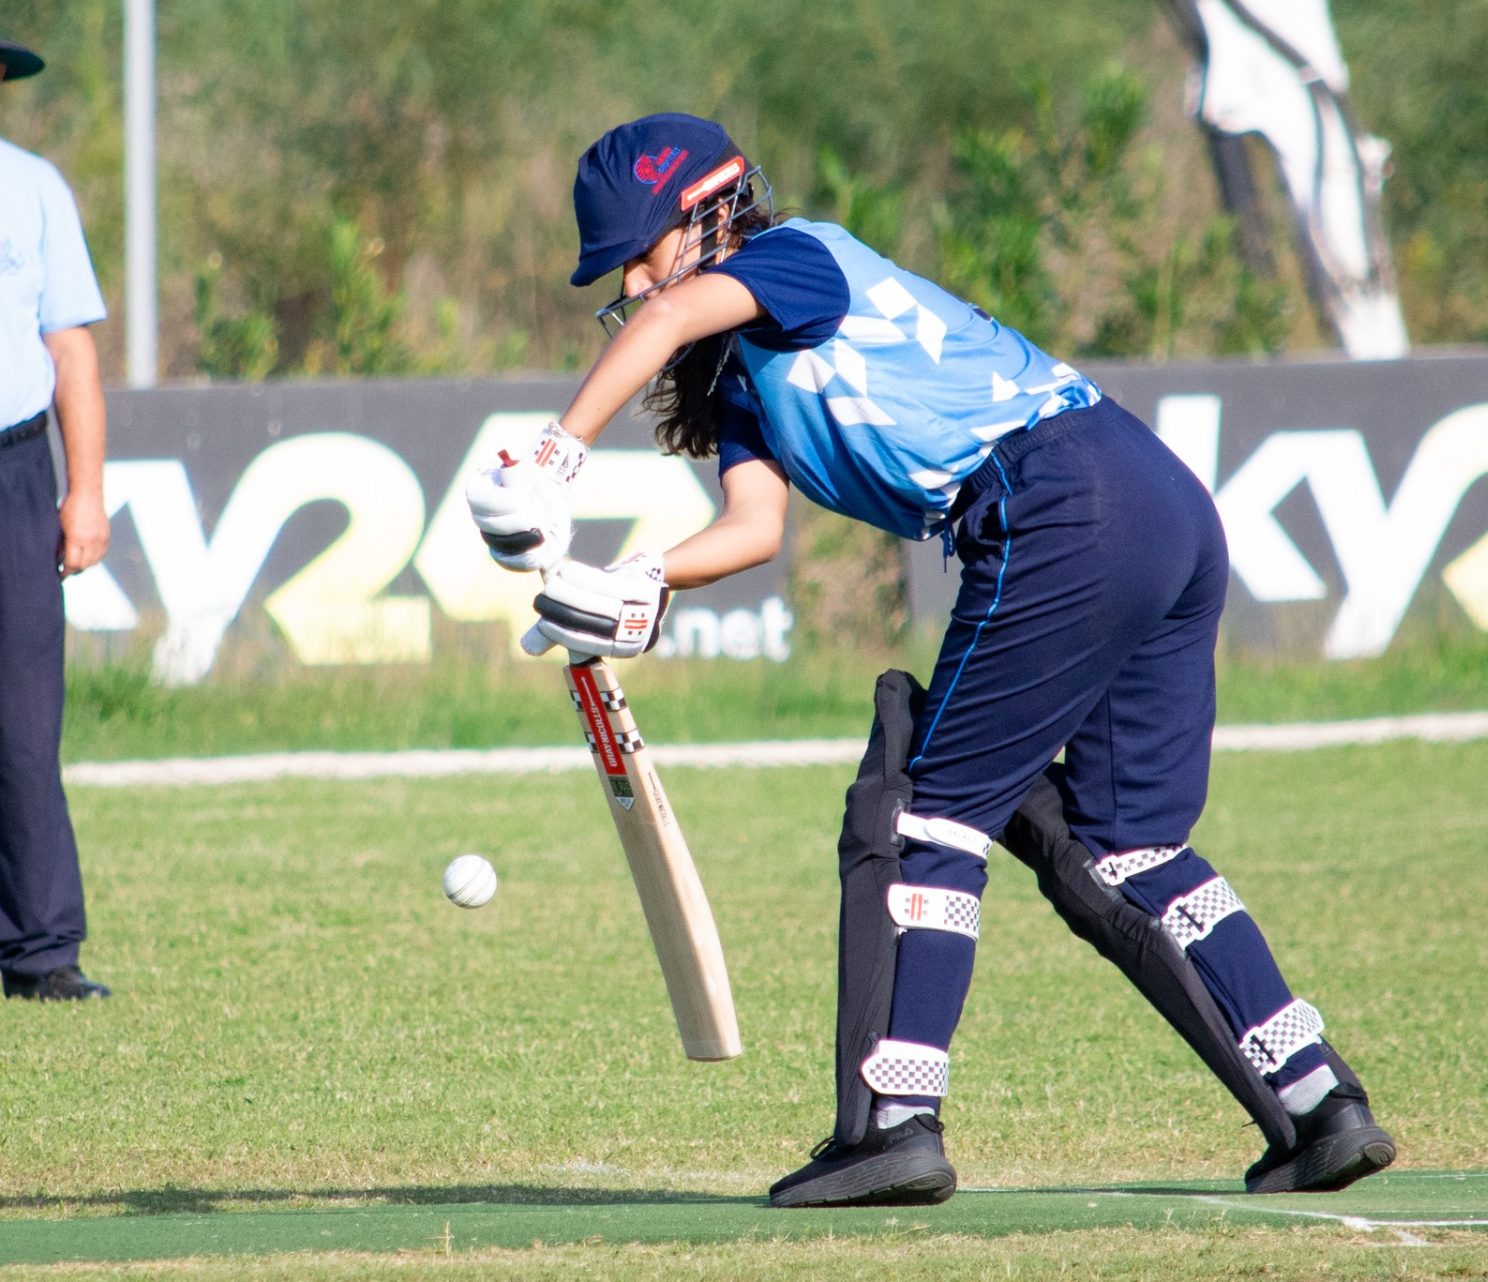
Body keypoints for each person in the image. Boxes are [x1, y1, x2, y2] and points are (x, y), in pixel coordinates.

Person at [467, 113, 1393, 1206]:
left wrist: (555, 453)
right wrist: (640, 581)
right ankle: (1317, 1104)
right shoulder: (741, 380)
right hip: (1148, 498)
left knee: (916, 815)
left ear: (710, 214)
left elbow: (669, 313)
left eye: (639, 248)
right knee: (1125, 846)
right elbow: (753, 528)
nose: (628, 279)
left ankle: (892, 1123)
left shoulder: (793, 257)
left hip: (1058, 499)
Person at [0, 37, 113, 1001]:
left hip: (14, 471)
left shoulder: (32, 187)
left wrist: (87, 489)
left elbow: (68, 348)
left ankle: (40, 952)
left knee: (23, 725)